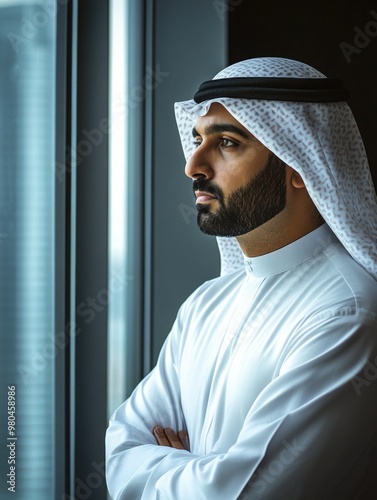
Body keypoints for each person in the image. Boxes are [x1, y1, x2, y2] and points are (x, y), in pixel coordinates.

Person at [105, 57, 377, 499]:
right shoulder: (205, 304)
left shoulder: (347, 314)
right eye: (197, 140)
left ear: (298, 163)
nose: (193, 166)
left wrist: (168, 464)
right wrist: (202, 470)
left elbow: (244, 494)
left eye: (227, 142)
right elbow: (119, 451)